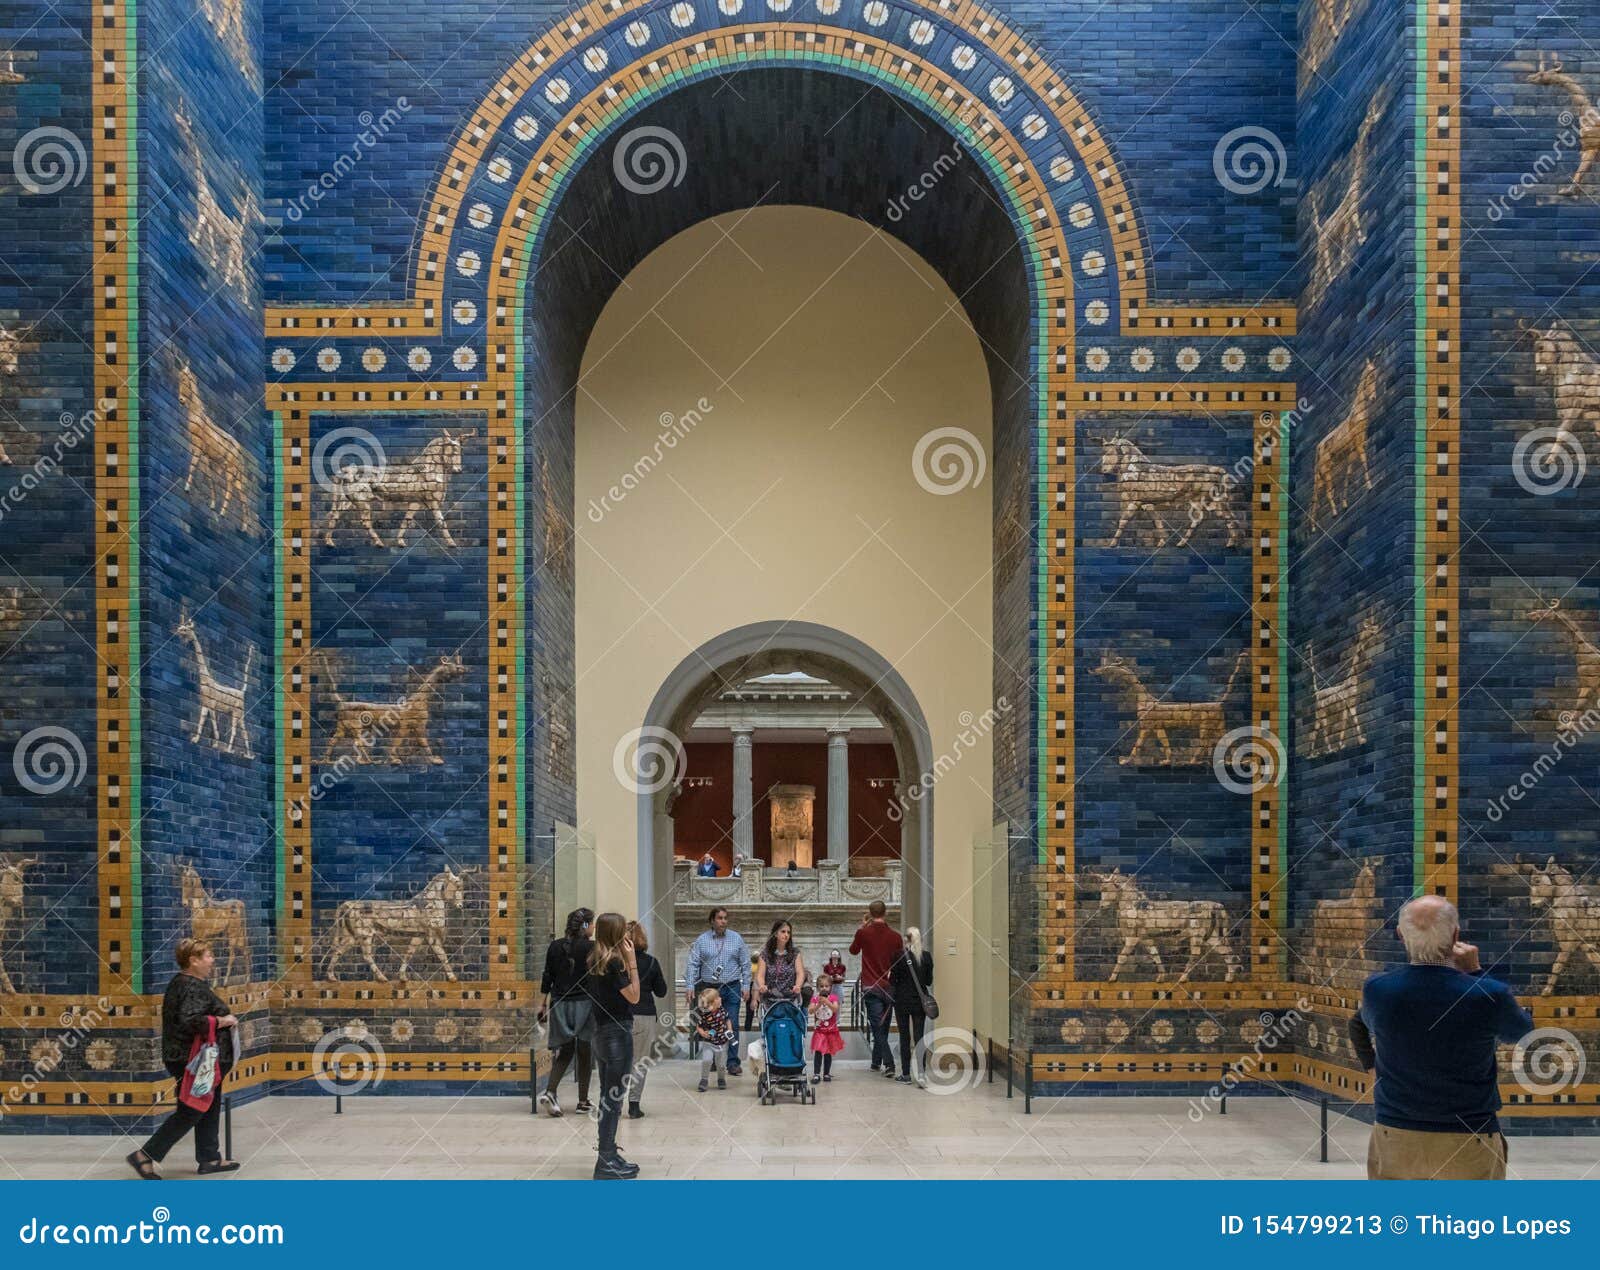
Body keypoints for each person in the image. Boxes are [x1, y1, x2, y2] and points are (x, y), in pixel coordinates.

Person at [1348, 895, 1534, 1180]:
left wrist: (1372, 1066)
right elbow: (1521, 1031)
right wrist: (1475, 973)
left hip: (1395, 1132)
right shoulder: (1488, 995)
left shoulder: (1378, 990)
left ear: (1400, 935)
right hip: (1468, 1136)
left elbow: (1359, 1023)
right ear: (1456, 935)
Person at [126, 939, 240, 1179]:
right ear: (193, 960)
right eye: (208, 955)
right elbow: (191, 1021)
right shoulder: (189, 986)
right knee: (192, 1109)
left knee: (207, 1105)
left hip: (198, 1060)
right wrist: (223, 1021)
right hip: (193, 1060)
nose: (212, 960)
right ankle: (145, 1155)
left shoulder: (188, 983)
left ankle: (209, 1157)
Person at [585, 912, 642, 1180]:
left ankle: (608, 1154)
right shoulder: (614, 963)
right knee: (613, 1098)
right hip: (617, 1033)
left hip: (600, 1033)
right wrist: (632, 962)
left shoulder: (594, 959)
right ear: (616, 934)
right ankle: (605, 1161)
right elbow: (634, 996)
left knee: (608, 1096)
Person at [536, 907, 593, 1116]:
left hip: (559, 1003)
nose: (593, 927)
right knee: (585, 1052)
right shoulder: (592, 947)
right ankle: (583, 1101)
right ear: (585, 925)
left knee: (565, 1051)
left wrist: (542, 1004)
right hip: (585, 1004)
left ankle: (550, 1091)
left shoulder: (554, 946)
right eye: (592, 923)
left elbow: (547, 976)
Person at [684, 906, 751, 1075]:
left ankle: (732, 1062)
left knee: (732, 1023)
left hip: (732, 986)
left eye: (725, 918)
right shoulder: (702, 940)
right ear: (712, 920)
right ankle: (715, 1059)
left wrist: (745, 985)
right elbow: (693, 964)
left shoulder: (736, 938)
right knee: (711, 1023)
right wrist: (690, 985)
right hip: (710, 989)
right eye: (720, 918)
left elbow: (745, 963)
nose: (723, 921)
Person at [850, 899, 903, 1077]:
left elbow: (853, 951)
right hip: (889, 987)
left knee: (876, 1027)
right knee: (883, 1027)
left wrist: (863, 927)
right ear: (885, 913)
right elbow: (899, 961)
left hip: (870, 986)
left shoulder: (864, 933)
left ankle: (889, 1065)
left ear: (870, 914)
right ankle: (875, 1061)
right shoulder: (896, 937)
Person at [624, 920, 669, 1119]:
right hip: (644, 1014)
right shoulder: (651, 962)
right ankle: (634, 1105)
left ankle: (613, 1102)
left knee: (617, 1061)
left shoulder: (616, 962)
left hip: (619, 1014)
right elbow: (662, 991)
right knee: (639, 1062)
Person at [890, 925, 935, 1086]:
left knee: (904, 1037)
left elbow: (892, 981)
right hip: (919, 1001)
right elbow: (929, 981)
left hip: (901, 1001)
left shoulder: (898, 956)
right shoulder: (927, 957)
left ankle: (906, 1074)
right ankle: (921, 1074)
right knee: (919, 1037)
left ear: (906, 939)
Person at [755, 918, 806, 1008]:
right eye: (783, 931)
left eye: (788, 932)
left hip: (790, 999)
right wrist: (762, 985)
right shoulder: (764, 954)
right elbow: (760, 975)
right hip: (769, 999)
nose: (786, 935)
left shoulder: (795, 953)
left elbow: (800, 973)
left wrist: (798, 986)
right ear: (775, 934)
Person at [693, 987, 735, 1092]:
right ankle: (704, 1079)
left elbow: (728, 1020)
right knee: (707, 1060)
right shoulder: (704, 1015)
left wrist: (730, 1030)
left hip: (722, 1042)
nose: (720, 998)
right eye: (718, 997)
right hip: (709, 1042)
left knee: (721, 1064)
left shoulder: (722, 1011)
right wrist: (702, 1032)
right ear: (712, 1002)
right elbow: (699, 1026)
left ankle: (721, 1078)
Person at [809, 973, 844, 1082]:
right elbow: (810, 1010)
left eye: (826, 986)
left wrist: (827, 1002)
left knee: (828, 1053)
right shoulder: (815, 999)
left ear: (830, 987)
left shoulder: (833, 997)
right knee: (818, 1052)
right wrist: (819, 1004)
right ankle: (816, 1073)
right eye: (821, 986)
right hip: (820, 1030)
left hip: (830, 1031)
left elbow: (835, 1009)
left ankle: (826, 1073)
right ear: (818, 987)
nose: (824, 988)